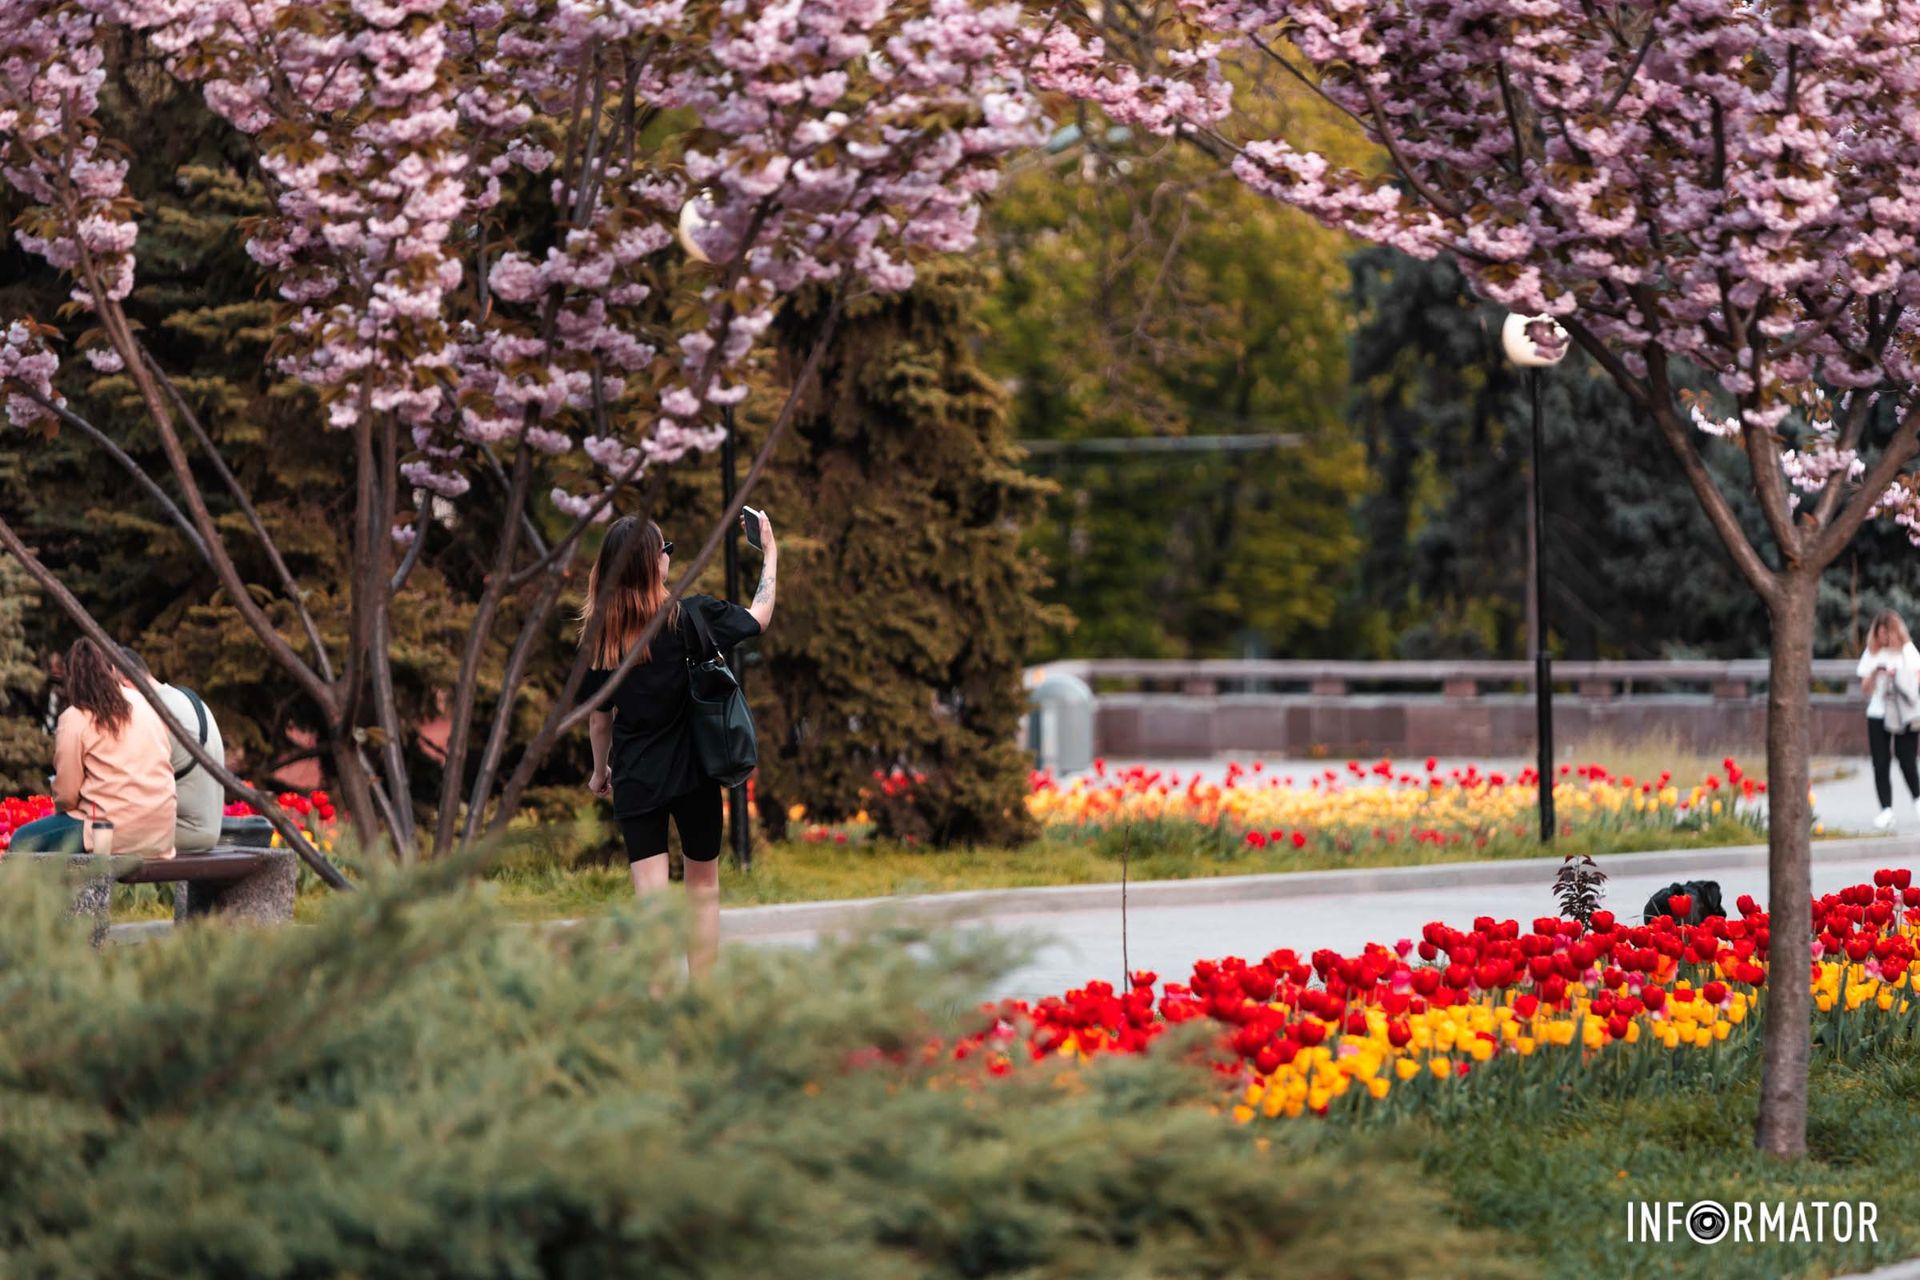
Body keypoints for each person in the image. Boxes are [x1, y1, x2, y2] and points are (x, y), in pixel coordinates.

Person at [579, 512, 776, 978]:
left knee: (651, 899)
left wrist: (599, 771)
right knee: (703, 889)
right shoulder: (693, 616)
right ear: (655, 565)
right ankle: (702, 1000)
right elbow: (759, 618)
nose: (669, 557)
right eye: (665, 549)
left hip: (636, 776)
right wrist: (770, 554)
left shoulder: (601, 636)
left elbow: (599, 719)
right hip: (695, 775)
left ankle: (662, 999)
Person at [9, 637, 176, 857]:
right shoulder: (144, 703)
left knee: (22, 840)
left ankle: (50, 893)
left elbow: (66, 796)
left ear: (71, 681)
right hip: (161, 833)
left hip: (109, 832)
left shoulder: (75, 717)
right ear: (111, 669)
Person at [115, 647, 270, 853]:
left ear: (126, 684)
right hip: (208, 829)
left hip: (184, 832)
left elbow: (131, 786)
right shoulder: (184, 698)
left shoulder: (154, 713)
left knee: (87, 837)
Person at [1857, 609, 1920, 831]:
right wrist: (1875, 673)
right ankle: (1886, 810)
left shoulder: (1907, 651)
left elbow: (1916, 680)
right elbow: (1865, 688)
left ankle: (1918, 800)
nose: (1884, 638)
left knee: (1907, 760)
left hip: (1904, 713)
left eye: (1887, 633)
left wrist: (1898, 676)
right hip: (1878, 712)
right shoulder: (1872, 653)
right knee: (1880, 763)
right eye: (1880, 633)